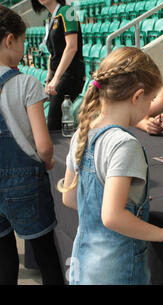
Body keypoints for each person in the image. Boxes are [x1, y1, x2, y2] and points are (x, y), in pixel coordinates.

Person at [57, 47, 163, 285]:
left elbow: (70, 198)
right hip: (117, 269)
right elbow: (112, 216)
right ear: (137, 96)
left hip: (83, 263)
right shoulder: (124, 144)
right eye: (151, 100)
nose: (150, 107)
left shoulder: (83, 133)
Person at [0, 5, 64, 285]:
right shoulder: (26, 83)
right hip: (25, 182)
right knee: (46, 255)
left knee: (3, 256)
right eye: (23, 41)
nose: (24, 48)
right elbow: (44, 145)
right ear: (9, 39)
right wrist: (47, 161)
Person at [31, 0, 85, 131]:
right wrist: (49, 78)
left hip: (70, 75)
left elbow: (72, 47)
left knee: (53, 124)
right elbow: (52, 53)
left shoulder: (67, 11)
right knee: (55, 125)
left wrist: (56, 78)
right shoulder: (51, 18)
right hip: (58, 76)